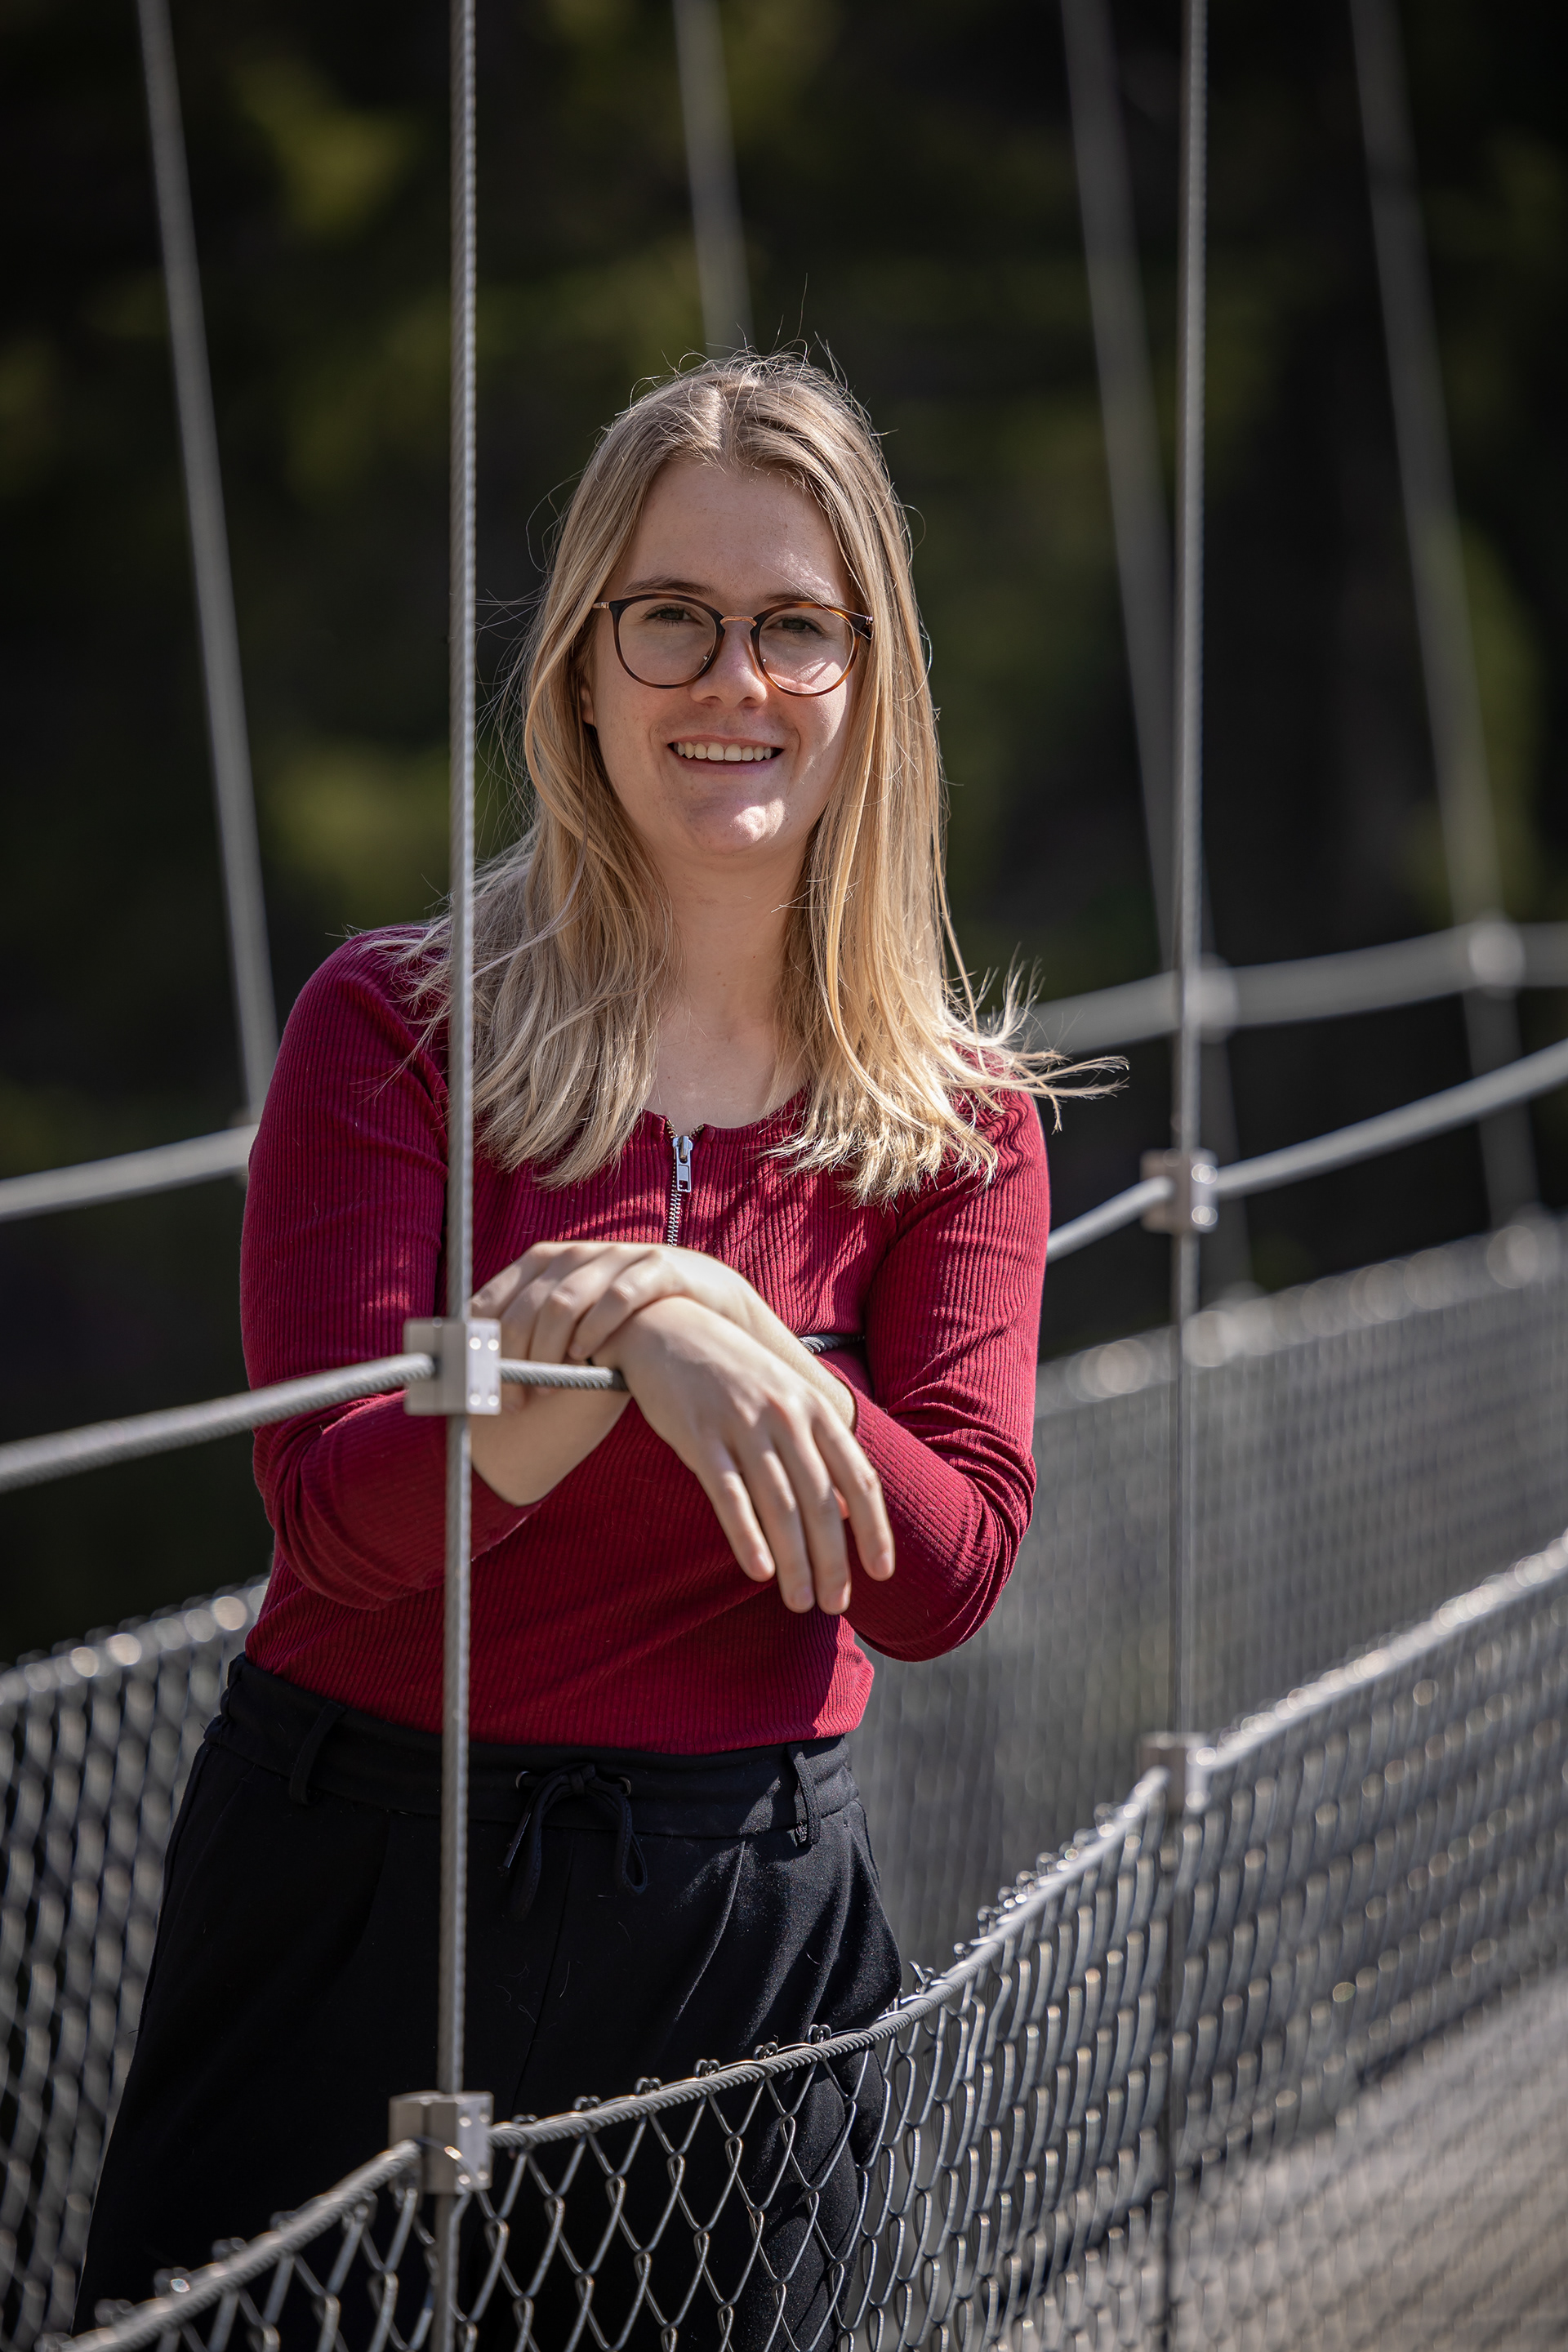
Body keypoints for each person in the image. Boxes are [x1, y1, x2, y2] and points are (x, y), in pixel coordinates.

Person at [77, 354, 1067, 2344]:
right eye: (671, 617)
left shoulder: (962, 1122)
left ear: (870, 678)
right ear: (586, 670)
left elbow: (948, 1570)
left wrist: (681, 1316)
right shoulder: (391, 1034)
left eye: (796, 623)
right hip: (357, 1885)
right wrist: (641, 1346)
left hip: (737, 1944)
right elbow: (337, 1519)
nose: (735, 677)